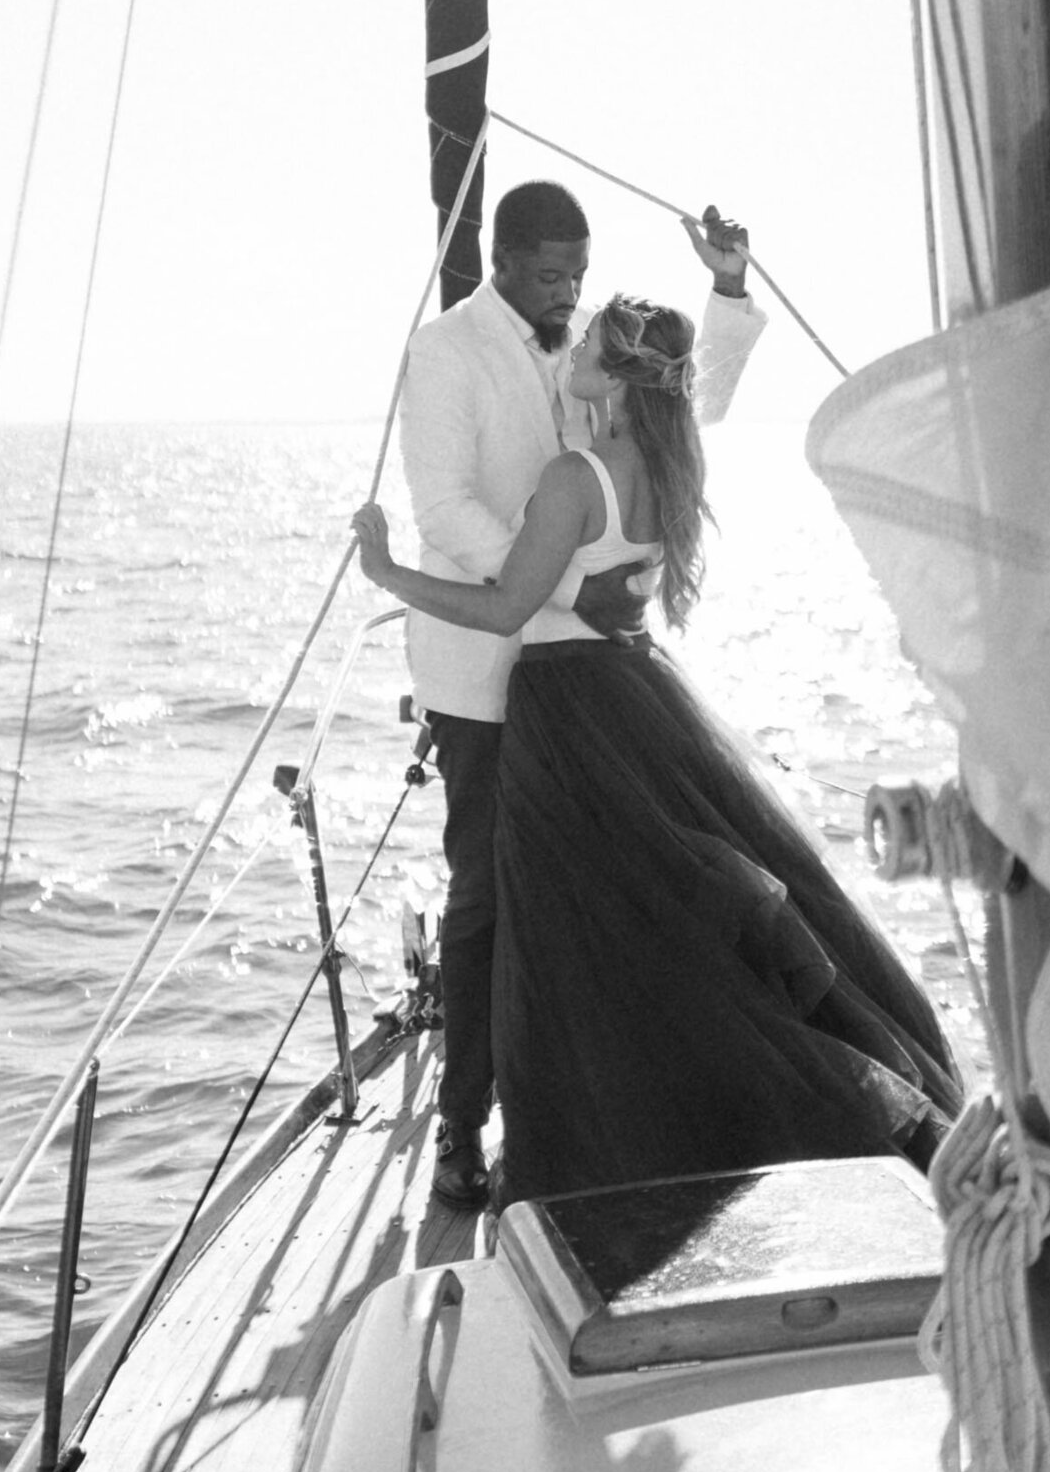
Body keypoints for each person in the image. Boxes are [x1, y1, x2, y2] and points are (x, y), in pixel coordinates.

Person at [356, 293, 960, 1210]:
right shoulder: (673, 463)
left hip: (565, 715)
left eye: (588, 346)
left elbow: (502, 609)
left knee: (572, 936)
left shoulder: (575, 475)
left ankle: (569, 1132)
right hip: (640, 698)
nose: (572, 355)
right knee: (654, 924)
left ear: (623, 374)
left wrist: (388, 572)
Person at [396, 181, 764, 1207]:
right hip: (484, 674)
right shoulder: (444, 353)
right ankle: (462, 1127)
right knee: (485, 901)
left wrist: (726, 289)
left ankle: (596, 1110)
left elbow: (695, 401)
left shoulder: (597, 341)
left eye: (578, 273)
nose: (568, 290)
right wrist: (569, 587)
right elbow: (443, 508)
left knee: (596, 903)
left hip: (590, 685)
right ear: (500, 260)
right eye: (551, 273)